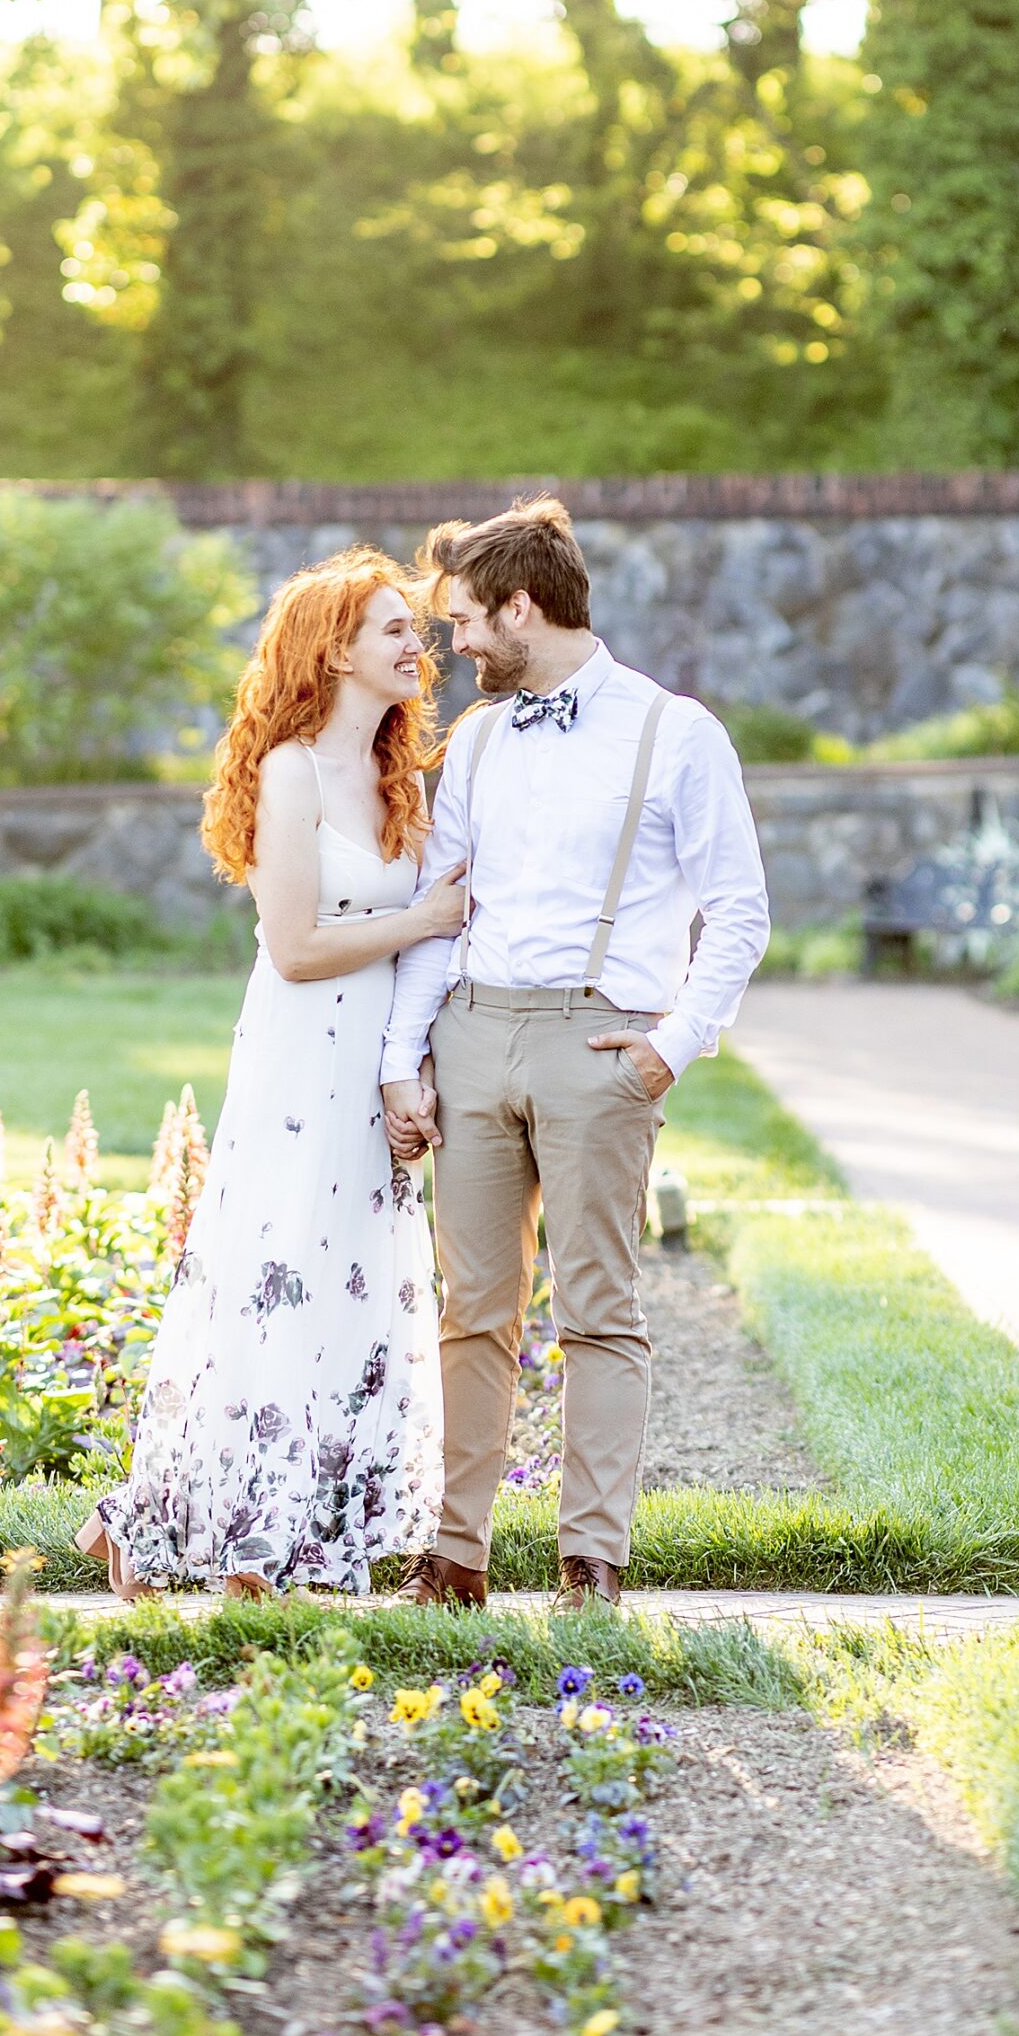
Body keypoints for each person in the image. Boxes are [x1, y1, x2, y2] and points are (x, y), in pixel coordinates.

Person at [381, 496, 770, 1613]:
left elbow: (738, 913)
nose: (452, 648)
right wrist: (406, 1058)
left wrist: (668, 1050)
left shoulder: (676, 731)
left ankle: (590, 1561)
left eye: (464, 624)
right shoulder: (484, 739)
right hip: (474, 1032)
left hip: (603, 1047)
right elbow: (440, 906)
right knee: (472, 1310)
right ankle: (456, 1556)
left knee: (598, 1309)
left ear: (520, 606)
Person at [75, 551, 465, 1600]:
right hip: (300, 1062)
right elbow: (293, 945)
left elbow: (424, 950)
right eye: (390, 628)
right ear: (335, 649)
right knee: (273, 1281)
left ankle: (299, 1530)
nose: (411, 644)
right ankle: (220, 1534)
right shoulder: (290, 770)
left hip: (372, 1062)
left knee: (348, 1290)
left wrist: (411, 1068)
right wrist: (423, 915)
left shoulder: (399, 779)